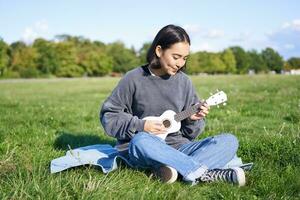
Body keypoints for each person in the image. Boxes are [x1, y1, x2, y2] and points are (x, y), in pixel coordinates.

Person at [100, 24, 248, 186]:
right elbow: (109, 115)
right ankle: (204, 173)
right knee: (141, 140)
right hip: (145, 149)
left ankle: (174, 169)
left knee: (229, 141)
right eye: (176, 57)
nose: (180, 64)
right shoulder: (133, 78)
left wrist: (193, 119)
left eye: (185, 58)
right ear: (159, 51)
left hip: (178, 147)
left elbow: (190, 135)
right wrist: (142, 125)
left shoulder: (184, 82)